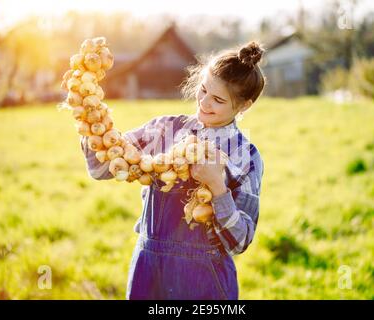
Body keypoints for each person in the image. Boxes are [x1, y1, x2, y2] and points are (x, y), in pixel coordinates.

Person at [80, 41, 266, 300]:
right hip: (149, 268)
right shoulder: (165, 129)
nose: (204, 102)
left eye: (218, 100)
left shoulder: (246, 156)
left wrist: (217, 188)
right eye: (203, 90)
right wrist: (90, 119)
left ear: (244, 105)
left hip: (203, 278)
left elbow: (240, 241)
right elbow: (102, 168)